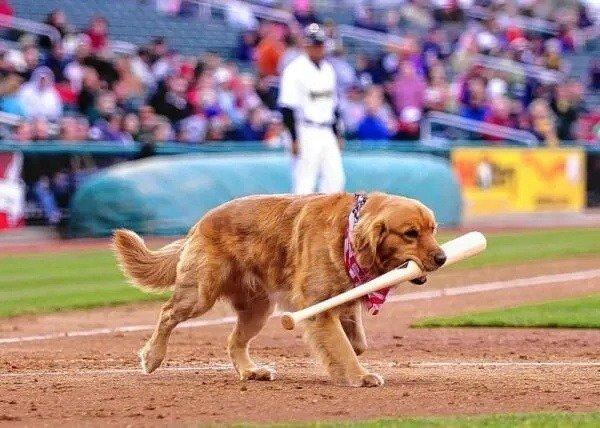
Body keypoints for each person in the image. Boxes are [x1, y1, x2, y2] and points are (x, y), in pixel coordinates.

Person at [278, 23, 344, 194]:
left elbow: (334, 105)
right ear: (306, 45)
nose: (319, 48)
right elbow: (287, 108)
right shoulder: (294, 70)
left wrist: (337, 133)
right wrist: (293, 138)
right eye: (315, 44)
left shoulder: (328, 69)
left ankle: (327, 220)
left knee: (335, 180)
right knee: (304, 183)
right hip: (305, 129)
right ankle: (300, 221)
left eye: (321, 44)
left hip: (326, 129)